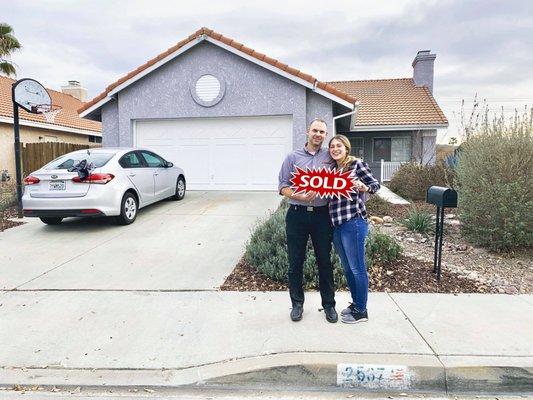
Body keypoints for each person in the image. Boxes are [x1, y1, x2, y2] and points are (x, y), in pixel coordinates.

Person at [278, 118, 338, 323]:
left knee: (324, 262)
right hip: (297, 215)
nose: (318, 134)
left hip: (322, 216)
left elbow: (345, 170)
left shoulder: (330, 156)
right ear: (307, 132)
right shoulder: (292, 157)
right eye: (315, 130)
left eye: (322, 132)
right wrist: (299, 196)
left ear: (325, 135)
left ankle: (329, 305)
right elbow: (283, 186)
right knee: (295, 262)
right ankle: (297, 304)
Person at [328, 134, 380, 324]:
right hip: (337, 225)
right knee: (348, 268)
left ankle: (361, 311)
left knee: (357, 268)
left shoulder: (356, 165)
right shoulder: (332, 170)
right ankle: (356, 303)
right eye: (332, 146)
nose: (335, 149)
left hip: (354, 222)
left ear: (346, 148)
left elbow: (375, 185)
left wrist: (363, 187)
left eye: (339, 146)